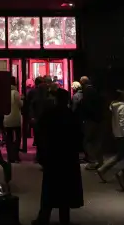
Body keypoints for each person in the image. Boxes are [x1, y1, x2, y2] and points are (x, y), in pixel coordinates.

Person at [32, 88, 83, 225]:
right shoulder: (71, 115)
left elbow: (41, 132)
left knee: (49, 188)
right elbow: (78, 136)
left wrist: (42, 154)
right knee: (65, 190)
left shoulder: (49, 114)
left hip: (52, 156)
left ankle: (44, 217)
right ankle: (64, 218)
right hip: (68, 158)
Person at [97, 90, 124, 181]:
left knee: (121, 154)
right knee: (122, 155)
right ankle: (103, 169)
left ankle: (103, 169)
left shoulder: (113, 106)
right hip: (122, 134)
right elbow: (122, 121)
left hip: (116, 132)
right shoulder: (122, 107)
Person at [77, 76, 104, 170]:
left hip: (90, 119)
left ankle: (93, 161)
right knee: (97, 141)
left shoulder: (87, 92)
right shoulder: (95, 90)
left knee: (87, 141)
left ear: (82, 83)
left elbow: (86, 106)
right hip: (98, 119)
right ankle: (100, 161)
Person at [3, 77, 23, 163]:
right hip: (15, 118)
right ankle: (15, 154)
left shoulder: (4, 93)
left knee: (9, 137)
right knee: (17, 137)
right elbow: (20, 104)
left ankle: (10, 156)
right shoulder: (15, 93)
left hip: (7, 118)